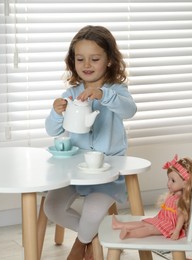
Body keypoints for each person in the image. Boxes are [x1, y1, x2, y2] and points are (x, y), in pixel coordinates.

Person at [44, 25, 137, 260]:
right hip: (74, 168)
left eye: (94, 59)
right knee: (51, 208)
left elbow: (130, 111)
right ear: (72, 61)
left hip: (109, 170)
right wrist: (56, 112)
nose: (86, 65)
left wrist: (104, 96)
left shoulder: (116, 90)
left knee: (93, 212)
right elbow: (53, 130)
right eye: (80, 59)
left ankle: (79, 246)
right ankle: (92, 237)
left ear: (108, 60)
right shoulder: (72, 93)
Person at [112, 154, 192, 240]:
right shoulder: (173, 195)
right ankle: (119, 225)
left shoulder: (179, 200)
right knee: (143, 223)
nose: (168, 183)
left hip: (168, 225)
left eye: (173, 181)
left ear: (185, 183)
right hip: (161, 219)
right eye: (169, 179)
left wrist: (176, 231)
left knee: (150, 229)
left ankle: (129, 234)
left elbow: (181, 217)